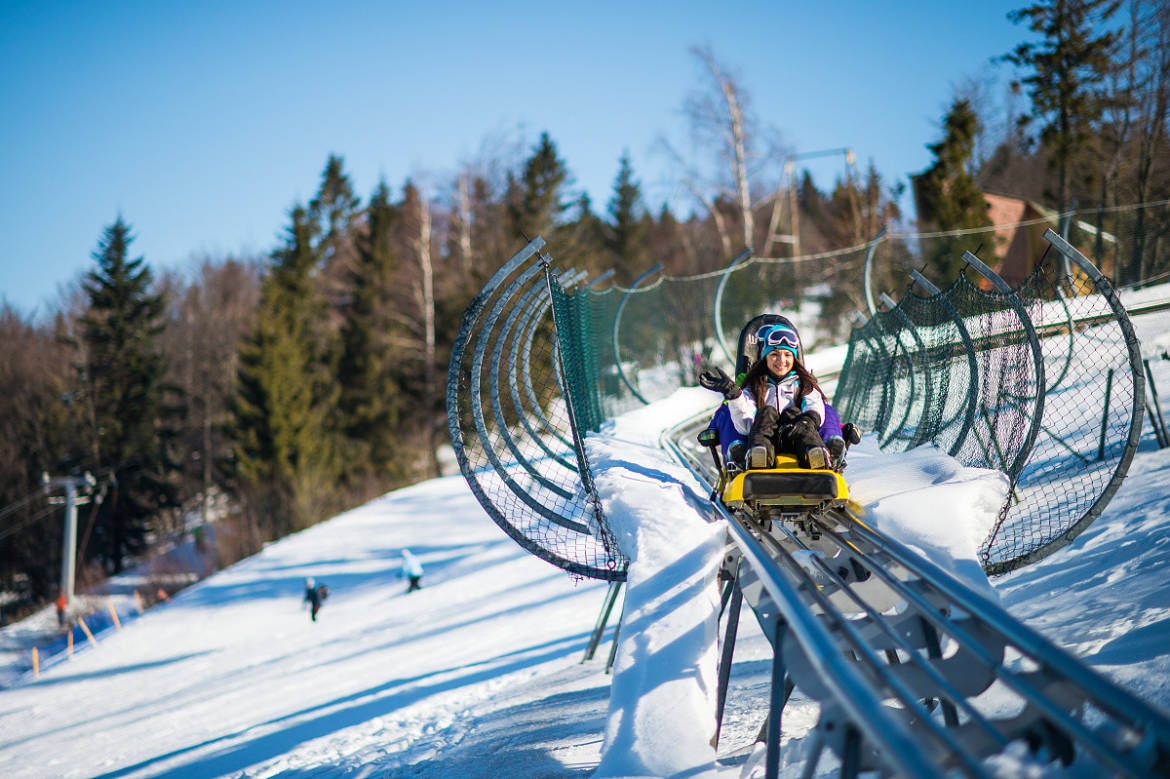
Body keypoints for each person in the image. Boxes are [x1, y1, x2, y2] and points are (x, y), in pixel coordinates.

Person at [700, 322, 832, 470]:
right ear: (765, 357)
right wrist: (735, 396)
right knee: (767, 412)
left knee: (796, 415)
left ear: (794, 359)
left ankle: (815, 455)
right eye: (774, 354)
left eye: (787, 354)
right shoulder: (755, 386)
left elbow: (814, 404)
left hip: (795, 439)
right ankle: (759, 456)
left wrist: (809, 419)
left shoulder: (803, 384)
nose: (781, 360)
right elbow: (744, 426)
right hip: (766, 440)